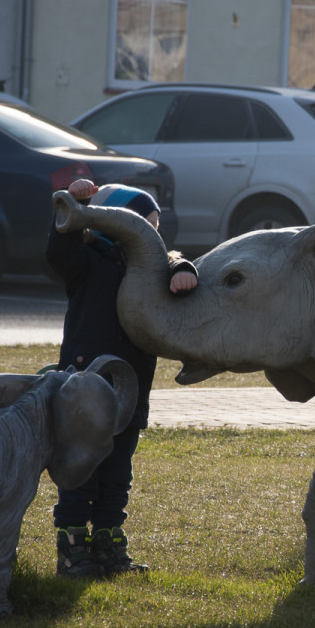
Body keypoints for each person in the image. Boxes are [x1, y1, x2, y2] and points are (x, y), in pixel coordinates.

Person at [46, 180, 197, 578]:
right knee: (82, 471)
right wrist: (77, 205)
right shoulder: (87, 261)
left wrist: (184, 270)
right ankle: (72, 550)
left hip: (130, 391)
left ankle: (110, 544)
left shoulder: (150, 267)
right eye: (141, 226)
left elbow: (172, 260)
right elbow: (59, 251)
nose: (151, 235)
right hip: (85, 388)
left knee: (117, 475)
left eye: (155, 227)